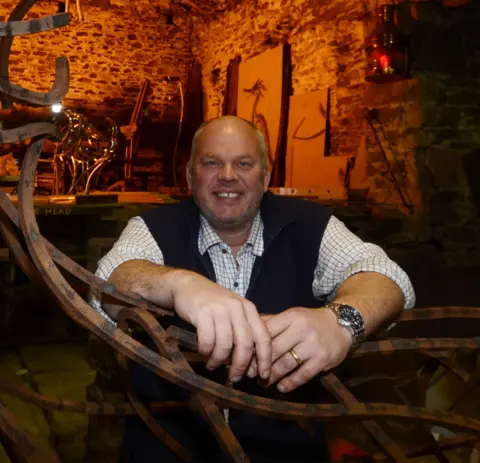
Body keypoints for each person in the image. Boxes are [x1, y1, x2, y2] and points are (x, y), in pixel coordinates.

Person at [89, 115, 415, 462]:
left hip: (285, 451)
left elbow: (387, 276)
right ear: (189, 176)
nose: (227, 175)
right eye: (211, 162)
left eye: (244, 163)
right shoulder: (153, 227)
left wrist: (341, 320)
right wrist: (177, 284)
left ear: (266, 175)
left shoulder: (309, 224)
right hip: (168, 448)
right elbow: (109, 281)